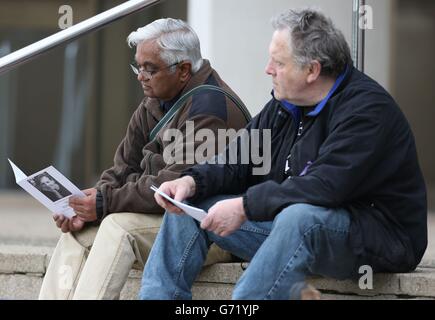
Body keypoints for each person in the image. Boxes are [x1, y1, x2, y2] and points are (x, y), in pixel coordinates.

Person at [139, 8, 428, 300]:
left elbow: (324, 187)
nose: (268, 69)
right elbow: (236, 159)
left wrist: (244, 206)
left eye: (278, 62)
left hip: (379, 240)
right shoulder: (286, 103)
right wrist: (191, 182)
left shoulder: (367, 110)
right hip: (296, 228)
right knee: (188, 203)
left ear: (312, 70)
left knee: (300, 217)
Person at [38, 18, 250, 299]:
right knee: (77, 233)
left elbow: (174, 187)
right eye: (138, 67)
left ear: (184, 70)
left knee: (116, 227)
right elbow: (123, 168)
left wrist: (105, 204)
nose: (140, 76)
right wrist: (85, 205)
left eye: (150, 69)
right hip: (159, 217)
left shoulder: (210, 109)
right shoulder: (156, 98)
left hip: (208, 229)